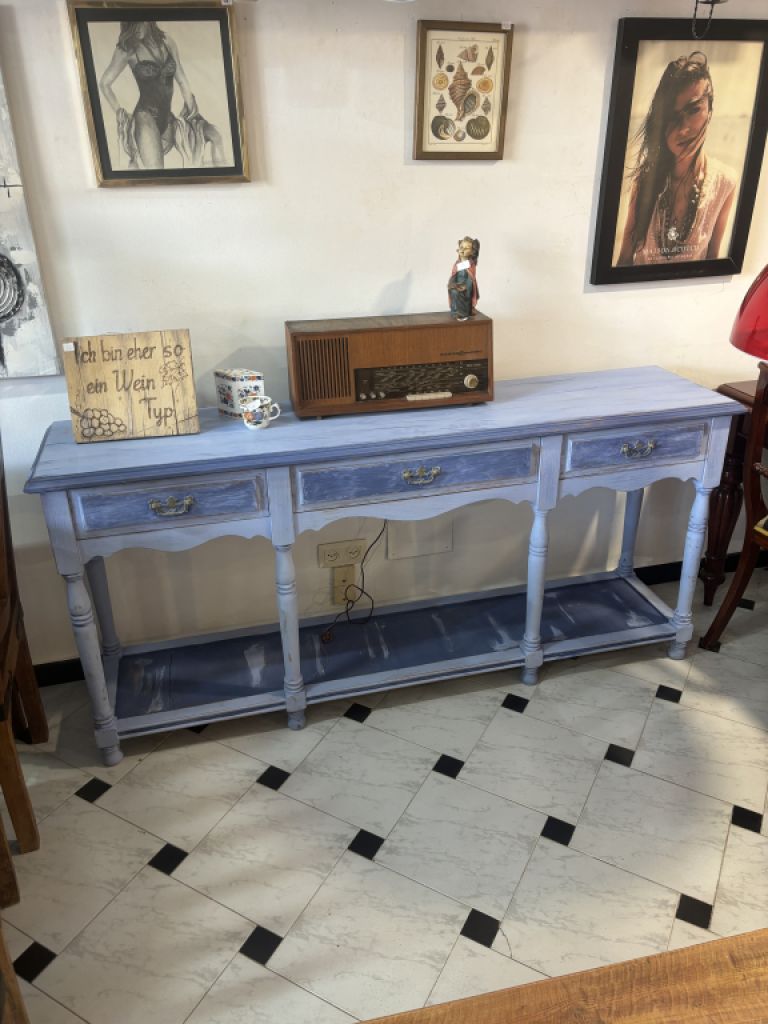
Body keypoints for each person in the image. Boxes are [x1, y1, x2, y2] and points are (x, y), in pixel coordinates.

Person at [617, 51, 736, 266]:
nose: (683, 130)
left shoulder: (725, 183)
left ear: (710, 110)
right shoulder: (646, 179)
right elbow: (625, 260)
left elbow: (711, 264)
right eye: (672, 117)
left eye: (694, 110)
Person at [99, 21, 226, 171]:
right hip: (145, 117)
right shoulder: (127, 49)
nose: (135, 29)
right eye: (130, 24)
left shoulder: (168, 42)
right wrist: (120, 113)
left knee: (216, 136)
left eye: (138, 23)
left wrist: (193, 112)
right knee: (157, 172)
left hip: (168, 118)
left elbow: (182, 80)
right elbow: (104, 84)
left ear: (148, 20)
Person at [448, 236, 480, 320]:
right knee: (453, 291)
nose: (462, 250)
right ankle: (455, 311)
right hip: (457, 285)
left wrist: (464, 287)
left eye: (466, 248)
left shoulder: (471, 264)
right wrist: (452, 283)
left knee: (460, 293)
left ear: (472, 251)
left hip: (466, 287)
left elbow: (471, 279)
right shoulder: (457, 264)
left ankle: (463, 313)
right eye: (461, 247)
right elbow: (453, 275)